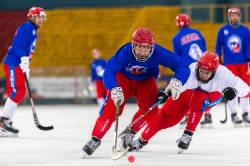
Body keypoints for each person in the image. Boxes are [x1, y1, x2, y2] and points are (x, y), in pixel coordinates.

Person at [82, 27, 190, 156]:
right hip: (124, 79)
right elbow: (109, 70)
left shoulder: (158, 52)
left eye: (146, 47)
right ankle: (95, 138)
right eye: (139, 46)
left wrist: (177, 81)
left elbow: (182, 66)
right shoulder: (125, 52)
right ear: (133, 45)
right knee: (112, 107)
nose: (142, 51)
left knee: (152, 111)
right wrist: (114, 87)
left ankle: (130, 133)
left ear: (152, 47)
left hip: (146, 81)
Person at [129, 51, 249, 153]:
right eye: (201, 70)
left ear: (214, 72)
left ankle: (188, 134)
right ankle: (141, 141)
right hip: (192, 90)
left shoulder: (223, 74)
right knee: (165, 118)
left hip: (213, 94)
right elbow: (181, 85)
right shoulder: (192, 69)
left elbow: (245, 88)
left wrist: (234, 91)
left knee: (198, 97)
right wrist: (168, 92)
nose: (202, 75)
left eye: (207, 73)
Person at [0, 7, 46, 137]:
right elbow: (17, 46)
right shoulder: (27, 27)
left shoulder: (33, 30)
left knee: (15, 92)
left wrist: (26, 65)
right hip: (14, 63)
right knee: (18, 91)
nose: (41, 19)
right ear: (32, 17)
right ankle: (3, 121)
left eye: (42, 17)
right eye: (39, 17)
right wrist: (23, 59)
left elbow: (26, 49)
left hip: (18, 64)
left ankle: (6, 122)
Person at [172, 13, 212, 129]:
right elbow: (204, 47)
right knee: (204, 91)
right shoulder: (197, 32)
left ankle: (188, 115)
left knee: (188, 92)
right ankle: (208, 116)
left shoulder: (176, 38)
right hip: (203, 66)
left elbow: (177, 57)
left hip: (189, 68)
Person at [215, 7, 250, 127]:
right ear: (229, 17)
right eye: (232, 15)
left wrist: (249, 59)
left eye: (236, 15)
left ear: (239, 16)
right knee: (231, 89)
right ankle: (234, 114)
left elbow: (248, 45)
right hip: (229, 63)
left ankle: (245, 113)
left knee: (245, 88)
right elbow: (218, 46)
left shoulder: (245, 30)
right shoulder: (223, 30)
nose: (234, 17)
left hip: (243, 63)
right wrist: (218, 59)